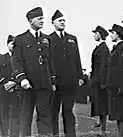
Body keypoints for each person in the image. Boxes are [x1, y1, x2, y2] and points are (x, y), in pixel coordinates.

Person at [11, 7, 56, 136]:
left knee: (45, 116)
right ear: (31, 21)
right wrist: (22, 78)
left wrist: (52, 81)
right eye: (39, 18)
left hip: (44, 84)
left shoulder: (47, 39)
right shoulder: (20, 40)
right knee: (26, 116)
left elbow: (51, 61)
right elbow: (16, 61)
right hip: (28, 85)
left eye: (43, 18)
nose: (43, 21)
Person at [49, 10, 84, 137]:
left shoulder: (72, 39)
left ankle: (70, 135)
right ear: (53, 23)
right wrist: (51, 80)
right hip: (56, 83)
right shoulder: (49, 39)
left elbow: (77, 58)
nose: (63, 22)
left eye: (64, 20)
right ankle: (54, 134)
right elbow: (49, 61)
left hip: (70, 81)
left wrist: (80, 76)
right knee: (53, 111)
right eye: (60, 20)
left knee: (68, 111)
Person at [106, 24, 123, 136]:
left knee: (121, 112)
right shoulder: (115, 48)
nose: (111, 35)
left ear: (119, 34)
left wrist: (120, 85)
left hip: (118, 84)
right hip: (113, 84)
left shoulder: (121, 48)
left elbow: (121, 68)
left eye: (113, 33)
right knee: (117, 112)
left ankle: (122, 134)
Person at [90, 25, 110, 136]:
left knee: (102, 106)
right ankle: (102, 130)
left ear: (100, 35)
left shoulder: (103, 49)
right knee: (99, 105)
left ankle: (103, 131)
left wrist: (103, 82)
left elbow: (104, 66)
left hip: (100, 81)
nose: (94, 35)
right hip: (96, 80)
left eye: (96, 33)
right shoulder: (99, 48)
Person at [0, 35, 20, 137]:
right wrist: (5, 84)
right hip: (3, 93)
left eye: (16, 44)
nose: (14, 46)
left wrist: (15, 83)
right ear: (7, 45)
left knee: (16, 117)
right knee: (3, 117)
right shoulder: (1, 58)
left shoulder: (21, 60)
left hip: (18, 92)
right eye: (12, 44)